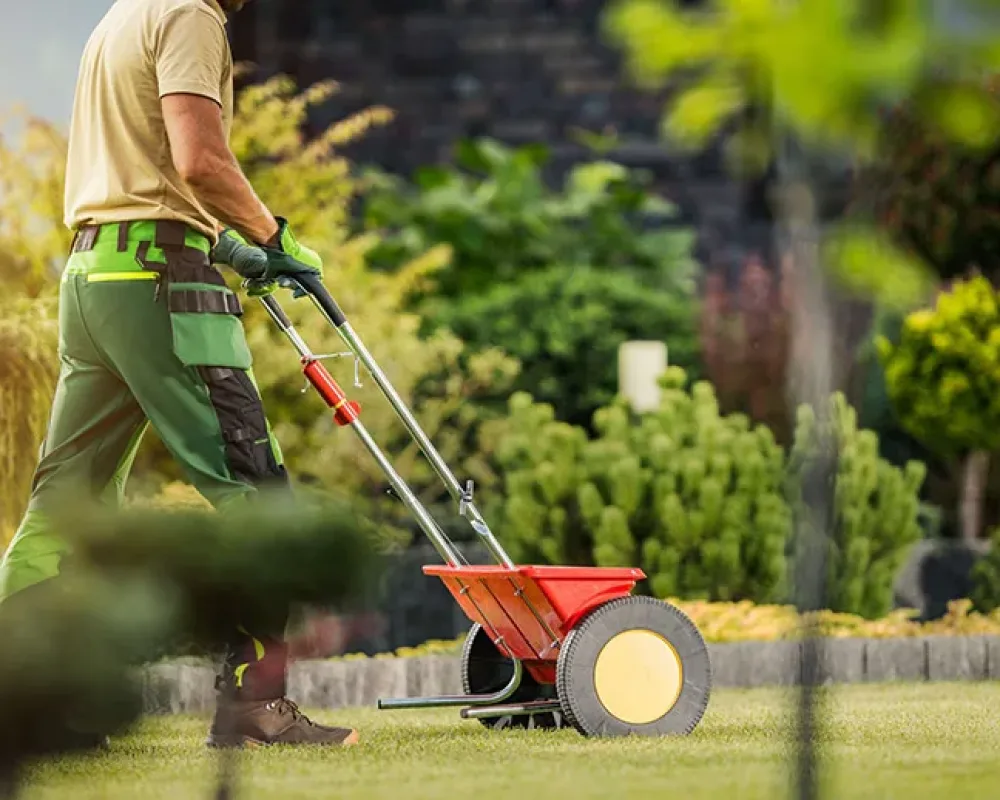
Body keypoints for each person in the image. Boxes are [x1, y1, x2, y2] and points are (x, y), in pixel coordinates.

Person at [0, 0, 359, 749]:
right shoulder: (191, 15)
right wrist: (273, 234)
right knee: (256, 494)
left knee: (64, 505)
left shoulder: (120, 17)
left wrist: (225, 245)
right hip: (163, 284)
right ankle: (255, 707)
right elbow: (199, 159)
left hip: (94, 276)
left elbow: (145, 168)